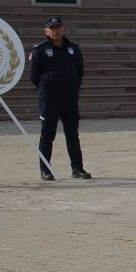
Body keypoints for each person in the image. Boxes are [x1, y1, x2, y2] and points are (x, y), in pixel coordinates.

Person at [29, 16, 91, 180]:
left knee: (72, 134)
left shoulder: (73, 48)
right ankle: (45, 170)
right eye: (52, 28)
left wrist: (73, 83)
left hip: (69, 99)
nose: (55, 31)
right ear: (46, 31)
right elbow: (34, 76)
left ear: (63, 29)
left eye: (58, 27)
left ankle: (77, 168)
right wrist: (48, 86)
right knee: (47, 135)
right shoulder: (40, 50)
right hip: (50, 99)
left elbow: (80, 71)